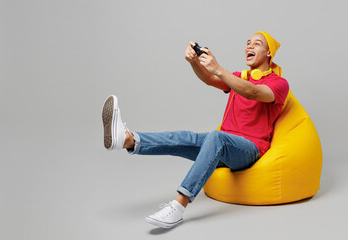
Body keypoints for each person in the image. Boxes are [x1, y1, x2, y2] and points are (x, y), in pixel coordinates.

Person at [102, 31, 289, 229]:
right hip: (224, 144)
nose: (249, 46)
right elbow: (210, 79)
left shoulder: (279, 84)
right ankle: (127, 140)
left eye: (257, 44)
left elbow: (252, 92)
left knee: (217, 137)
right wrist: (194, 62)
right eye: (248, 43)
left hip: (250, 150)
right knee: (186, 137)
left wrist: (218, 68)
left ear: (269, 53)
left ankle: (178, 206)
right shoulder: (238, 78)